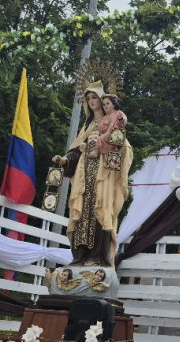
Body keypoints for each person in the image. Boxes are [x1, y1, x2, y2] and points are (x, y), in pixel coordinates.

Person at [52, 81, 133, 266]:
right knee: (81, 213)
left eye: (94, 97)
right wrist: (65, 160)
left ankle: (98, 257)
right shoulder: (88, 125)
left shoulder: (112, 121)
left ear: (104, 100)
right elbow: (76, 150)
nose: (91, 101)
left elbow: (123, 145)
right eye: (88, 98)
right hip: (84, 173)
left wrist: (114, 148)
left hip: (103, 174)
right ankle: (80, 257)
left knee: (101, 210)